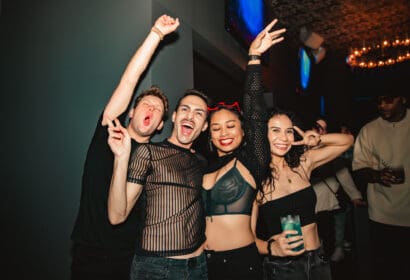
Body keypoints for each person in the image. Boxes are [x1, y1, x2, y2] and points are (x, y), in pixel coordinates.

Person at [70, 15, 178, 280]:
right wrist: (156, 34)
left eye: (157, 109)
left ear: (160, 125)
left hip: (129, 261)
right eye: (146, 104)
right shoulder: (109, 132)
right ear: (131, 112)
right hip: (90, 255)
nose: (151, 109)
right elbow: (130, 80)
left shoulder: (156, 160)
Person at [202, 19, 286, 280]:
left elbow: (254, 112)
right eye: (216, 129)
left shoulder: (253, 160)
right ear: (209, 135)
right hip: (200, 265)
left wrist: (253, 58)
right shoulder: (202, 166)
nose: (224, 133)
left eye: (230, 126)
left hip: (240, 265)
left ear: (243, 131)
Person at [107, 87, 210, 279]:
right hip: (156, 268)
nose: (190, 116)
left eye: (199, 113)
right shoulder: (148, 153)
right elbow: (116, 216)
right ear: (174, 116)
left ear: (204, 126)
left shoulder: (201, 162)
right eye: (185, 110)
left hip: (199, 267)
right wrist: (121, 158)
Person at [254, 109, 354, 280]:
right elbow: (247, 238)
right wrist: (271, 248)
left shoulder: (302, 164)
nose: (284, 138)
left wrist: (318, 138)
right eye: (275, 130)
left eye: (289, 131)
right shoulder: (256, 179)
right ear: (262, 134)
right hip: (284, 267)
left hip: (318, 258)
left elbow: (348, 141)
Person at [352, 91, 410, 280]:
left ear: (402, 98)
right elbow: (359, 168)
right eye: (379, 101)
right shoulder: (369, 130)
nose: (383, 105)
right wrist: (377, 175)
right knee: (386, 269)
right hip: (382, 215)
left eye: (389, 100)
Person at [311, 118, 365, 262]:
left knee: (338, 221)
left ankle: (339, 247)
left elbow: (342, 173)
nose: (321, 131)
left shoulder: (330, 150)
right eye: (317, 127)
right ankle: (320, 249)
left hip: (332, 194)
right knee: (315, 226)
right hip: (313, 196)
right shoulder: (300, 149)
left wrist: (354, 195)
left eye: (324, 128)